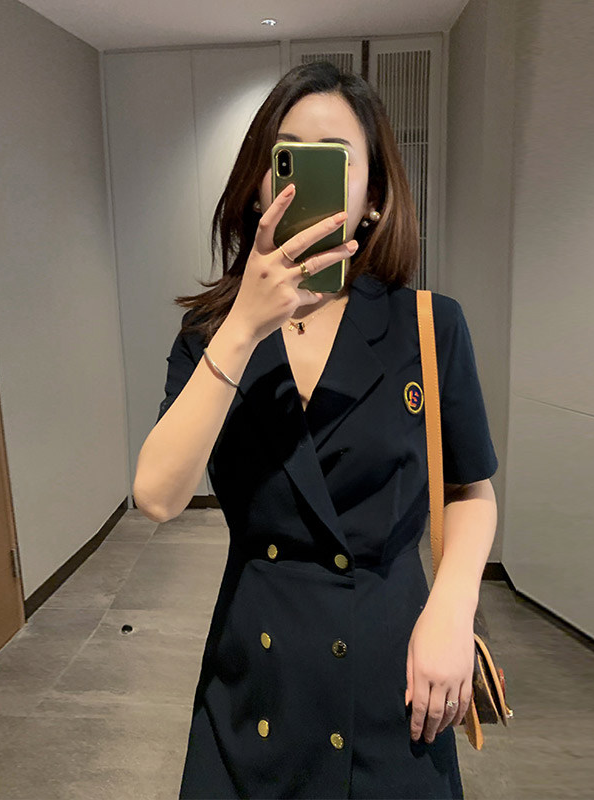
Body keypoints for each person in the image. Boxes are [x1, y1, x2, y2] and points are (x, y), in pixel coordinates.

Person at [133, 60, 499, 800]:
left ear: (372, 197)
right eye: (288, 158)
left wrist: (453, 608)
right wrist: (244, 326)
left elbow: (470, 489)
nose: (305, 186)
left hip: (398, 663)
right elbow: (158, 497)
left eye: (336, 161)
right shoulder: (210, 335)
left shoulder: (430, 327)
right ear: (260, 184)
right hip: (259, 673)